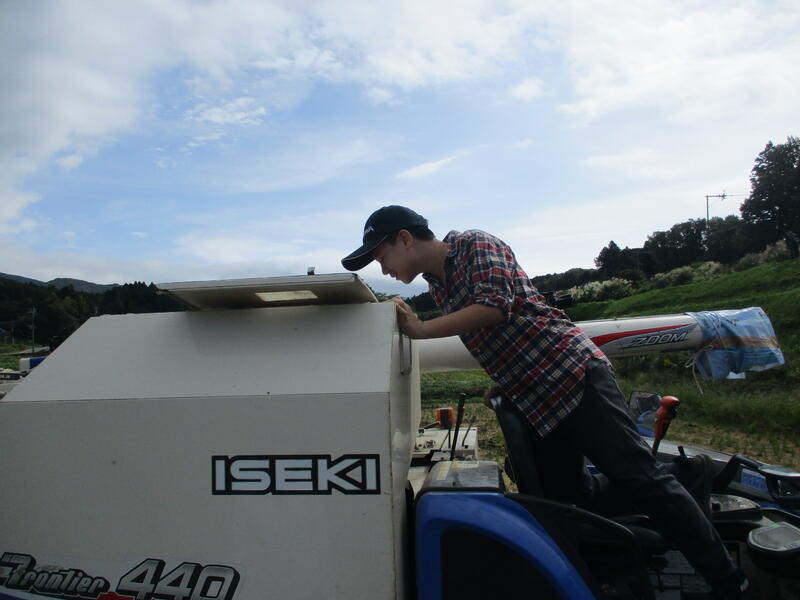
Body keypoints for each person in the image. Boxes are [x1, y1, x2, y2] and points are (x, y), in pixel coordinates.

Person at [342, 205, 749, 599]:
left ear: (405, 238)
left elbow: (494, 308)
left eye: (382, 257)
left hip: (571, 374)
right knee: (569, 499)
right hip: (533, 394)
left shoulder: (473, 245)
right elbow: (496, 336)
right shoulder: (437, 284)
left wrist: (421, 329)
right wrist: (504, 380)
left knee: (641, 478)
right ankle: (666, 501)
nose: (384, 269)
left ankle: (728, 579)